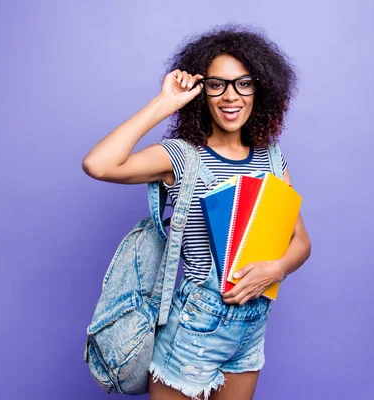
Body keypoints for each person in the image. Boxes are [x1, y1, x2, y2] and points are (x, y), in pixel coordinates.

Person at [82, 24, 311, 400]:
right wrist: (165, 103)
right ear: (202, 91)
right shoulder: (183, 157)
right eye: (216, 84)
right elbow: (98, 164)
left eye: (243, 83)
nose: (230, 96)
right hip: (194, 328)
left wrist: (277, 268)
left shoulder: (272, 158)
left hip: (250, 332)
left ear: (260, 90)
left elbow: (301, 241)